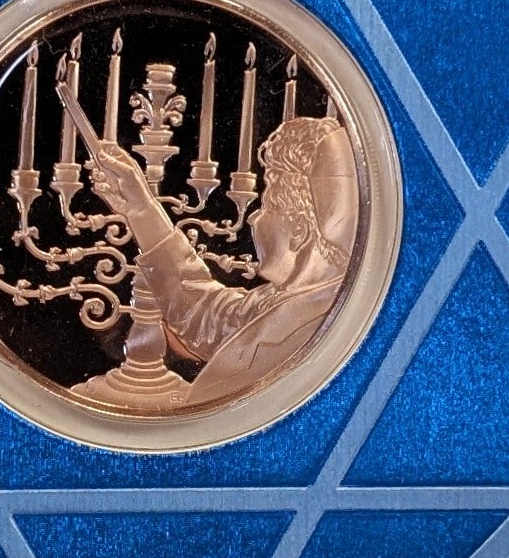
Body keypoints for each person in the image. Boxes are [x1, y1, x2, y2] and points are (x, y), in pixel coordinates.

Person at [87, 113, 360, 405]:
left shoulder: (314, 332)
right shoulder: (294, 301)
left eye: (267, 206)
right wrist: (142, 209)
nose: (253, 217)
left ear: (299, 231)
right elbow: (211, 318)